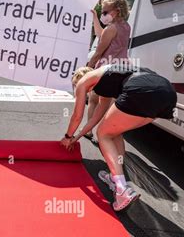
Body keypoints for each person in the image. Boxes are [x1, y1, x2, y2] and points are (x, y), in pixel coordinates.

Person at [60, 64, 177, 211]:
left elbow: (77, 116)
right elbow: (95, 119)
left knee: (103, 134)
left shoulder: (84, 81)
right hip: (167, 93)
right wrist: (76, 138)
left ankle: (121, 189)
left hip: (141, 89)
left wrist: (67, 136)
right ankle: (115, 176)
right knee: (113, 131)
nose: (87, 93)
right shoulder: (107, 78)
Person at [84, 0, 131, 141]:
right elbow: (101, 35)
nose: (103, 14)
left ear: (116, 11)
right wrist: (95, 18)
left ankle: (91, 131)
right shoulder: (125, 26)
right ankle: (105, 133)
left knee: (93, 100)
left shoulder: (112, 28)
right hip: (120, 68)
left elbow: (98, 52)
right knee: (107, 103)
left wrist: (88, 69)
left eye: (105, 11)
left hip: (105, 69)